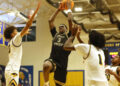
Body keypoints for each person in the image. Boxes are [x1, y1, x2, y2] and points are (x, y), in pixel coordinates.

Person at [4, 2, 40, 86]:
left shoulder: (11, 42)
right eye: (16, 31)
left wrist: (24, 32)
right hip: (13, 70)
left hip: (9, 69)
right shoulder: (16, 39)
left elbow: (22, 32)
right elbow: (28, 25)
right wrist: (35, 12)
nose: (17, 32)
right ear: (12, 34)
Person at [43, 4, 73, 86]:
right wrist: (58, 9)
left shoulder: (69, 36)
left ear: (66, 29)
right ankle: (46, 84)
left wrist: (69, 8)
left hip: (62, 64)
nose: (60, 27)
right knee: (46, 66)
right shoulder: (55, 35)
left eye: (62, 26)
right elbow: (50, 21)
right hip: (53, 60)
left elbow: (70, 20)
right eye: (59, 26)